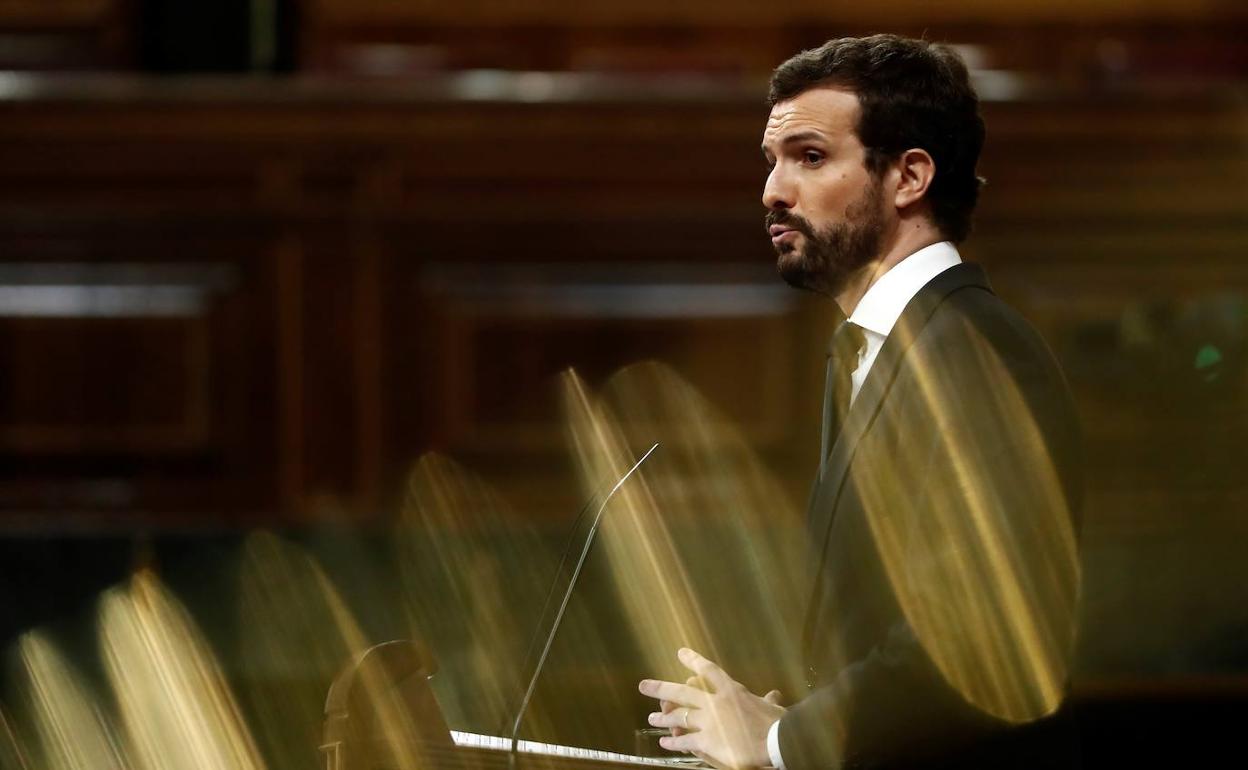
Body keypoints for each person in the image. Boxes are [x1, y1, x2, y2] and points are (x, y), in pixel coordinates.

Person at [639, 34, 1083, 769]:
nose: (773, 191)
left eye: (810, 158)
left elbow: (983, 636)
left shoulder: (974, 354)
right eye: (773, 162)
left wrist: (781, 741)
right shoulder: (882, 345)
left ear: (909, 176)